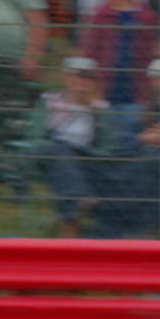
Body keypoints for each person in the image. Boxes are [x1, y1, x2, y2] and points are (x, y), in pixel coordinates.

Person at [34, 56, 118, 235]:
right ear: (66, 78)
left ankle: (70, 220)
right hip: (52, 155)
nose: (82, 81)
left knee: (68, 162)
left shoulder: (101, 109)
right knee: (60, 151)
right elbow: (35, 136)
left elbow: (107, 147)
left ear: (94, 81)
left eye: (88, 77)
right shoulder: (49, 101)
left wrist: (94, 112)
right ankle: (78, 201)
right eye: (77, 76)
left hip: (85, 159)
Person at [80, 0, 160, 110]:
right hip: (106, 80)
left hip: (136, 80)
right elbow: (91, 48)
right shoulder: (101, 15)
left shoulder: (147, 16)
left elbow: (152, 48)